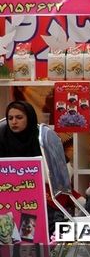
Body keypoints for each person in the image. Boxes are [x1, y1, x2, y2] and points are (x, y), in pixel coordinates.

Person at [0, 100, 80, 239]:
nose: (14, 122)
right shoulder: (1, 138)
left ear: (29, 118)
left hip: (40, 201)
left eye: (19, 117)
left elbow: (62, 173)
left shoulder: (43, 139)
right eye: (10, 118)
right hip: (6, 202)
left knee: (29, 239)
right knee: (9, 240)